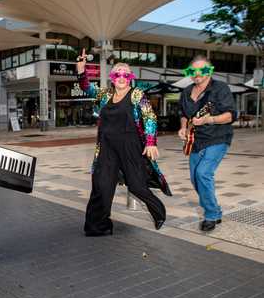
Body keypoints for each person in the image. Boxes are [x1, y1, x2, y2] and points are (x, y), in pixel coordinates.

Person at [77, 49, 171, 236]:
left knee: (137, 186)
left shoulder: (137, 95)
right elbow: (87, 87)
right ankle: (98, 225)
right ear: (112, 77)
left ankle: (159, 211)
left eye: (125, 74)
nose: (121, 77)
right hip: (106, 148)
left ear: (130, 78)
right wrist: (81, 71)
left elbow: (150, 117)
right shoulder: (105, 95)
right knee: (101, 184)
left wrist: (151, 142)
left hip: (131, 148)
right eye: (117, 74)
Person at [177, 55, 235, 232]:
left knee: (203, 174)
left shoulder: (220, 88)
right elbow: (184, 115)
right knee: (196, 179)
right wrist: (183, 128)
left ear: (209, 71)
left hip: (217, 137)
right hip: (195, 140)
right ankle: (216, 211)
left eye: (202, 70)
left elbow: (230, 115)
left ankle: (210, 215)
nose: (197, 74)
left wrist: (209, 119)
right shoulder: (186, 92)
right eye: (192, 71)